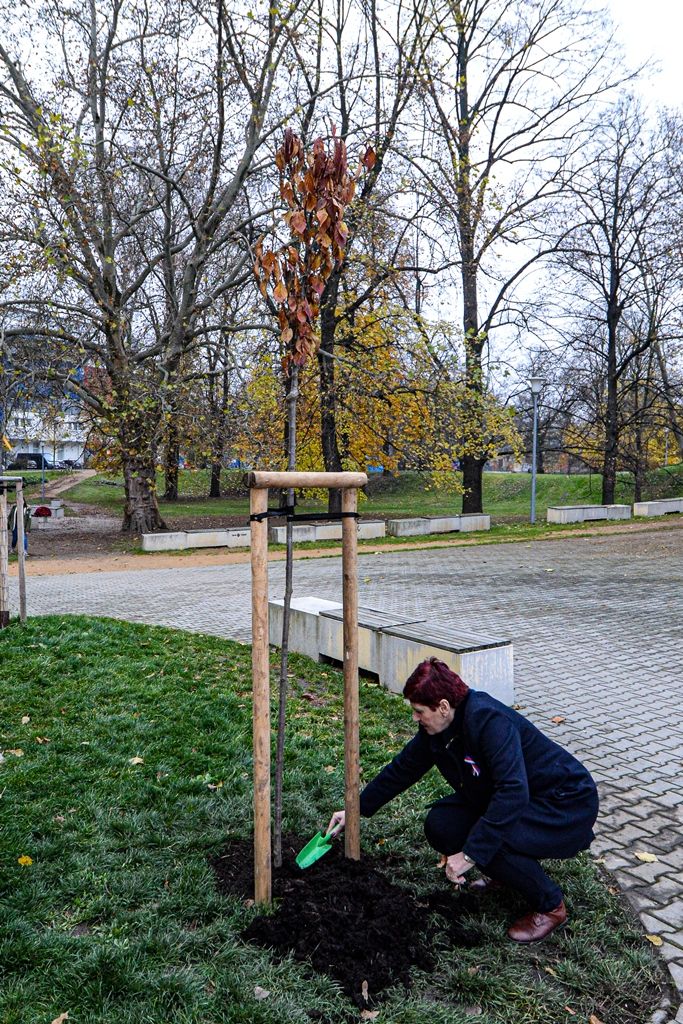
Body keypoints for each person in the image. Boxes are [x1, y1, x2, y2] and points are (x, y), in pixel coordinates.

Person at [327, 657, 599, 944]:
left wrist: (470, 854)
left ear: (443, 706)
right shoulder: (439, 728)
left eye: (419, 711)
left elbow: (513, 792)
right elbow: (403, 768)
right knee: (443, 825)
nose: (414, 718)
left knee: (489, 839)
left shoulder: (489, 721)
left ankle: (550, 905)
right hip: (518, 798)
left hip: (565, 803)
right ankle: (506, 874)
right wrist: (355, 809)